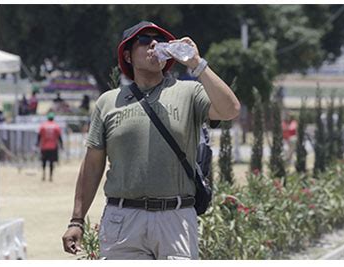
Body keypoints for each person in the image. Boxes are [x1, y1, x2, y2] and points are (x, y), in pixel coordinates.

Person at [62, 21, 240, 260]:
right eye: (145, 40)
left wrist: (198, 64)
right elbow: (93, 165)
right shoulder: (108, 101)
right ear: (127, 54)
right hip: (123, 218)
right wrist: (77, 220)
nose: (155, 45)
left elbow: (230, 110)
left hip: (175, 219)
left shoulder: (188, 92)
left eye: (160, 41)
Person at [37, 112, 63, 182]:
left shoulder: (43, 126)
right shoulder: (56, 126)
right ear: (53, 118)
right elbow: (59, 137)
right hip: (53, 147)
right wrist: (61, 145)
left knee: (44, 162)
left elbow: (39, 136)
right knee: (51, 162)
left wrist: (37, 144)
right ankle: (50, 176)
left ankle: (43, 174)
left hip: (44, 147)